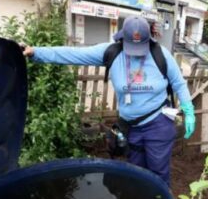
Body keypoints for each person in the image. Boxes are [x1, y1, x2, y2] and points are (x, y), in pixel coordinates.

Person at [22, 16, 195, 186]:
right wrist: (36, 52)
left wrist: (188, 109)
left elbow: (178, 83)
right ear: (122, 39)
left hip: (157, 123)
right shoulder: (112, 52)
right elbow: (73, 53)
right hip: (131, 127)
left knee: (158, 173)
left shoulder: (160, 55)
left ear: (147, 40)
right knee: (137, 173)